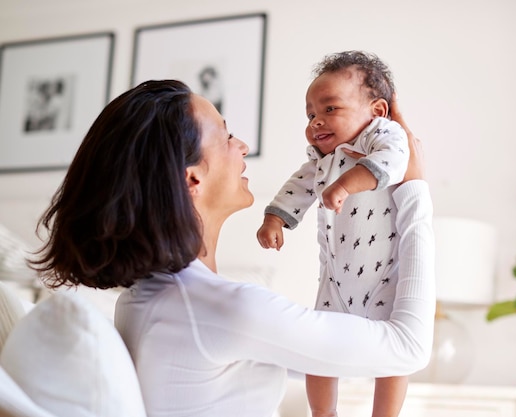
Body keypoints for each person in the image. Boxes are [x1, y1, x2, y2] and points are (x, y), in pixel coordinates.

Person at [30, 79, 435, 417]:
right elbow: (409, 349)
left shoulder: (149, 299)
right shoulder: (221, 309)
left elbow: (302, 352)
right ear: (191, 180)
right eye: (225, 135)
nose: (241, 145)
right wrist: (413, 188)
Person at [257, 51, 410, 417]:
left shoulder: (383, 137)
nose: (316, 122)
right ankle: (323, 413)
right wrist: (274, 219)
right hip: (337, 280)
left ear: (377, 111)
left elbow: (393, 161)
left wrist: (345, 184)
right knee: (317, 349)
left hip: (384, 272)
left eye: (330, 109)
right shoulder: (320, 160)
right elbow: (297, 187)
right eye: (310, 114)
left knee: (394, 354)